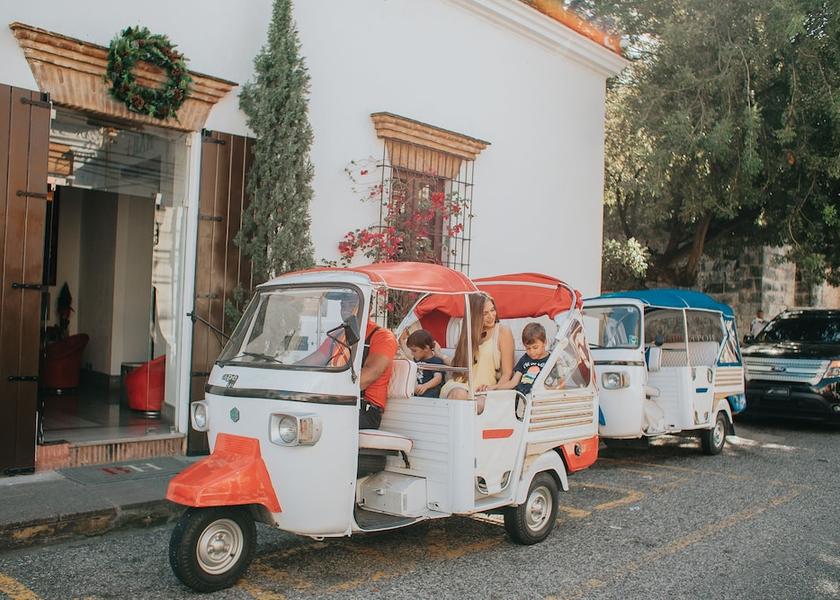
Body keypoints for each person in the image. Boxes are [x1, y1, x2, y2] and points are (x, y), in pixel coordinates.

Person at [440, 293, 514, 403]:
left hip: (484, 389)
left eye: (492, 310)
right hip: (459, 385)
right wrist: (440, 355)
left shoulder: (503, 332)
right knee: (459, 394)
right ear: (474, 315)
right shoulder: (467, 332)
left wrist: (495, 391)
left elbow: (507, 373)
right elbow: (457, 365)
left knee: (477, 404)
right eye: (485, 313)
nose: (491, 316)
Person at [486, 323, 551, 396]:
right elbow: (513, 383)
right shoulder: (525, 358)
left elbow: (560, 384)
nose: (532, 352)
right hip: (521, 398)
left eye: (535, 347)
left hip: (538, 398)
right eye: (528, 348)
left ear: (545, 343)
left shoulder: (551, 360)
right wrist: (494, 387)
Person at [358, 318, 397, 429]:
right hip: (342, 403)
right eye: (343, 304)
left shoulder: (383, 336)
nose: (345, 308)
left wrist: (333, 387)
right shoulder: (341, 333)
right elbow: (318, 359)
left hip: (366, 411)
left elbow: (370, 374)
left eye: (351, 303)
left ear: (368, 308)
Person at [405, 329, 444, 397]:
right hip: (417, 390)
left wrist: (425, 386)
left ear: (426, 348)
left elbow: (438, 378)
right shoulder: (417, 358)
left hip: (430, 392)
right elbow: (408, 355)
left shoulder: (435, 361)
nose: (412, 353)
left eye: (414, 350)